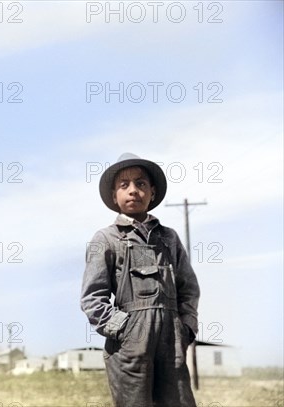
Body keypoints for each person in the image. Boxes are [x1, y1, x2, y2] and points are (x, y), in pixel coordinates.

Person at [80, 153, 200, 407]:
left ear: (152, 192)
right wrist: (124, 330)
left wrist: (185, 328)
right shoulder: (105, 239)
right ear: (114, 196)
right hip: (129, 346)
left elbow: (188, 289)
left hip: (171, 344)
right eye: (124, 185)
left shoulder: (169, 238)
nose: (133, 190)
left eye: (141, 184)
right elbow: (92, 298)